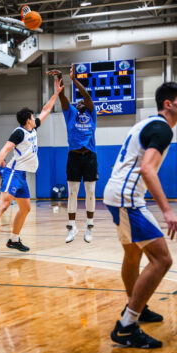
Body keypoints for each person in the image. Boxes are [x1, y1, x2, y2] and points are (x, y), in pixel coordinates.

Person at [103, 82, 177, 348]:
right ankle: (127, 326)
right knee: (162, 259)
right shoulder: (162, 129)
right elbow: (147, 170)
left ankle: (135, 307)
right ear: (168, 104)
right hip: (127, 199)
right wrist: (167, 212)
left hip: (116, 193)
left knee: (133, 255)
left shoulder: (147, 124)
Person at [0, 78, 63, 256]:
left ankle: (14, 240)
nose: (35, 117)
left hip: (23, 176)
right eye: (33, 116)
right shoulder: (19, 132)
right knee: (4, 204)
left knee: (26, 208)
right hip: (13, 173)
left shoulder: (33, 128)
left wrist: (56, 94)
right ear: (28, 120)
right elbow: (5, 149)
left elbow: (46, 110)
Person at [48, 65, 98, 243]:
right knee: (72, 193)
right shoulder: (70, 113)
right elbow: (62, 97)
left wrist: (74, 80)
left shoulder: (92, 114)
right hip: (74, 157)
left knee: (90, 193)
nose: (81, 102)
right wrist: (60, 79)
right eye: (79, 102)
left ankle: (89, 226)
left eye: (83, 101)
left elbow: (87, 97)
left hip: (90, 156)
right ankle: (72, 227)